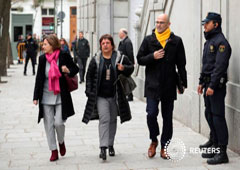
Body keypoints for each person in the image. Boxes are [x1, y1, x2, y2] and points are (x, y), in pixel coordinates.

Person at [137, 14, 187, 159]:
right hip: (152, 85)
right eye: (157, 22)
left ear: (168, 24)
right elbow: (139, 59)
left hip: (169, 85)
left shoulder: (176, 41)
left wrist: (182, 83)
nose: (158, 25)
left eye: (161, 22)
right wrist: (152, 56)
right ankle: (154, 140)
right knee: (151, 114)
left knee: (167, 117)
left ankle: (165, 146)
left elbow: (181, 64)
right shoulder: (148, 40)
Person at [82, 34, 134, 161]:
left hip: (115, 95)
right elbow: (89, 77)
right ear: (100, 45)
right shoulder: (96, 59)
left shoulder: (120, 58)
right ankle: (103, 147)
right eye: (103, 43)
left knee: (112, 121)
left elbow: (131, 68)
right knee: (104, 119)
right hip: (100, 96)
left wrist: (124, 68)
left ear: (112, 45)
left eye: (107, 43)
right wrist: (89, 91)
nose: (105, 45)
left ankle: (111, 144)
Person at [33, 34, 79, 162]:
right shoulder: (42, 59)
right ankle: (53, 150)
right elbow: (39, 78)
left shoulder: (63, 56)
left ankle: (61, 141)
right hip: (46, 95)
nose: (43, 46)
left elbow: (76, 69)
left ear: (52, 45)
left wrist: (67, 70)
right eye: (43, 44)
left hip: (60, 95)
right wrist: (36, 96)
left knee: (59, 123)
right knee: (48, 125)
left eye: (45, 44)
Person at [198, 12, 231, 165]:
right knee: (209, 114)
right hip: (208, 85)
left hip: (216, 86)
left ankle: (222, 152)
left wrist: (211, 85)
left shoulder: (221, 42)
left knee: (217, 117)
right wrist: (201, 82)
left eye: (207, 23)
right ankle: (215, 143)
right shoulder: (210, 40)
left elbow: (219, 67)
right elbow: (207, 65)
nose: (204, 25)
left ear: (216, 24)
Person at [118, 28, 135, 101]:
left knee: (126, 79)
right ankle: (127, 94)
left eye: (120, 33)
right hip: (122, 62)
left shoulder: (127, 42)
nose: (119, 34)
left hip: (126, 64)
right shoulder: (122, 41)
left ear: (123, 34)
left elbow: (130, 53)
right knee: (124, 79)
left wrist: (130, 64)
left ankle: (130, 95)